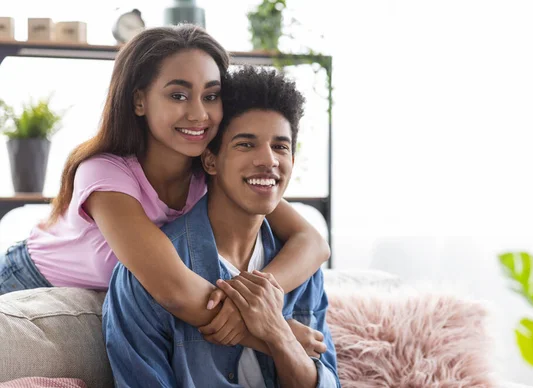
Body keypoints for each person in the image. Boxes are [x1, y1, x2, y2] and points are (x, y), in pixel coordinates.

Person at [0, 24, 329, 351]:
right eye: (178, 95)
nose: (199, 113)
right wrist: (275, 335)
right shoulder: (103, 175)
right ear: (139, 100)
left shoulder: (210, 169)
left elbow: (313, 243)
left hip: (125, 305)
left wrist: (263, 295)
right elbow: (174, 290)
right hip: (26, 282)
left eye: (211, 96)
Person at [103, 66, 339, 388]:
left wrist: (278, 334)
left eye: (280, 147)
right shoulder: (144, 279)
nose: (268, 160)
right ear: (211, 160)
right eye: (246, 144)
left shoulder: (303, 269)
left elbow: (327, 381)